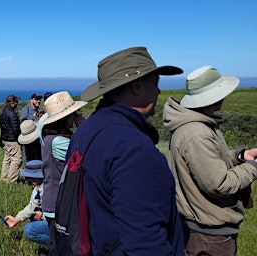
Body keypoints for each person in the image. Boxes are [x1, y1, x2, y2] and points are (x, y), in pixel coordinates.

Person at [67, 46, 185, 255]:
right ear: (137, 86)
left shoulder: (85, 131)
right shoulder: (133, 148)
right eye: (155, 82)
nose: (158, 91)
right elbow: (146, 245)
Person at [163, 66, 257, 255]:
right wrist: (252, 167)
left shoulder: (195, 125)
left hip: (204, 230)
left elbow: (210, 161)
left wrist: (240, 155)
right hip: (209, 235)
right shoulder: (197, 133)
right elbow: (219, 184)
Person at [37, 91, 86, 256]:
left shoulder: (48, 137)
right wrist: (85, 127)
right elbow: (85, 155)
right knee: (60, 248)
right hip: (59, 204)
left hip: (54, 201)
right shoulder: (59, 142)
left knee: (59, 246)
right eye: (72, 115)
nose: (75, 117)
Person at [4, 160, 50, 248]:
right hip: (51, 220)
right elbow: (32, 206)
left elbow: (58, 213)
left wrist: (42, 215)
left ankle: (61, 246)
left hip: (60, 224)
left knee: (29, 229)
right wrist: (16, 219)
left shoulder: (48, 189)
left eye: (30, 177)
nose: (28, 180)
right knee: (33, 220)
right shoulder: (39, 187)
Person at [0, 94, 22, 183]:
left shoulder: (3, 112)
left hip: (5, 139)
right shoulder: (12, 113)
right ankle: (12, 180)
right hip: (12, 140)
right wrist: (19, 140)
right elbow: (15, 129)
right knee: (16, 159)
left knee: (7, 159)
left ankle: (4, 178)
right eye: (16, 102)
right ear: (12, 103)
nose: (17, 104)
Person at [20, 93, 43, 162]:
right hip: (29, 139)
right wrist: (33, 116)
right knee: (30, 158)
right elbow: (23, 122)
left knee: (39, 157)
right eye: (36, 99)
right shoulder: (26, 109)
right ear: (31, 100)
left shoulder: (40, 110)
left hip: (38, 138)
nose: (38, 101)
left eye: (39, 99)